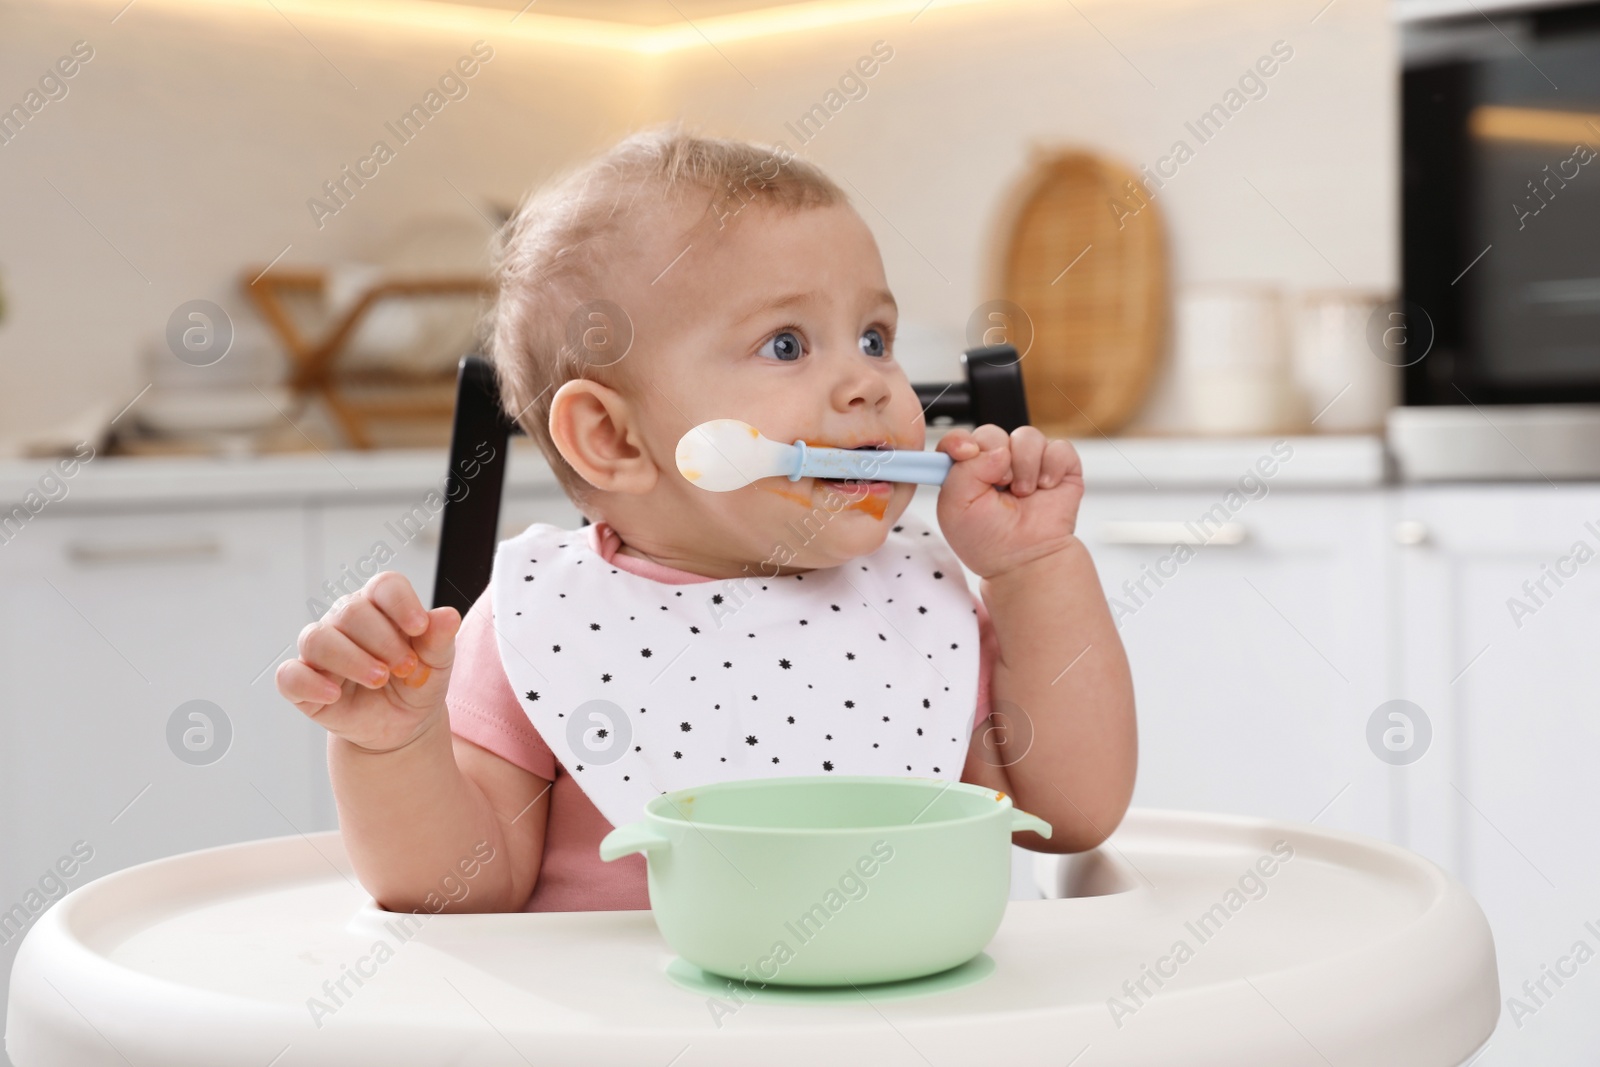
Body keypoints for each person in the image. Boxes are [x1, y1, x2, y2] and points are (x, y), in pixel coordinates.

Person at [275, 125, 1136, 913]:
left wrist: (1035, 573)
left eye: (874, 336)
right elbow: (459, 892)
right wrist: (394, 748)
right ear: (612, 437)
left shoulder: (922, 603)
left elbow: (1072, 817)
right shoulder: (541, 620)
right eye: (788, 344)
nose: (869, 382)